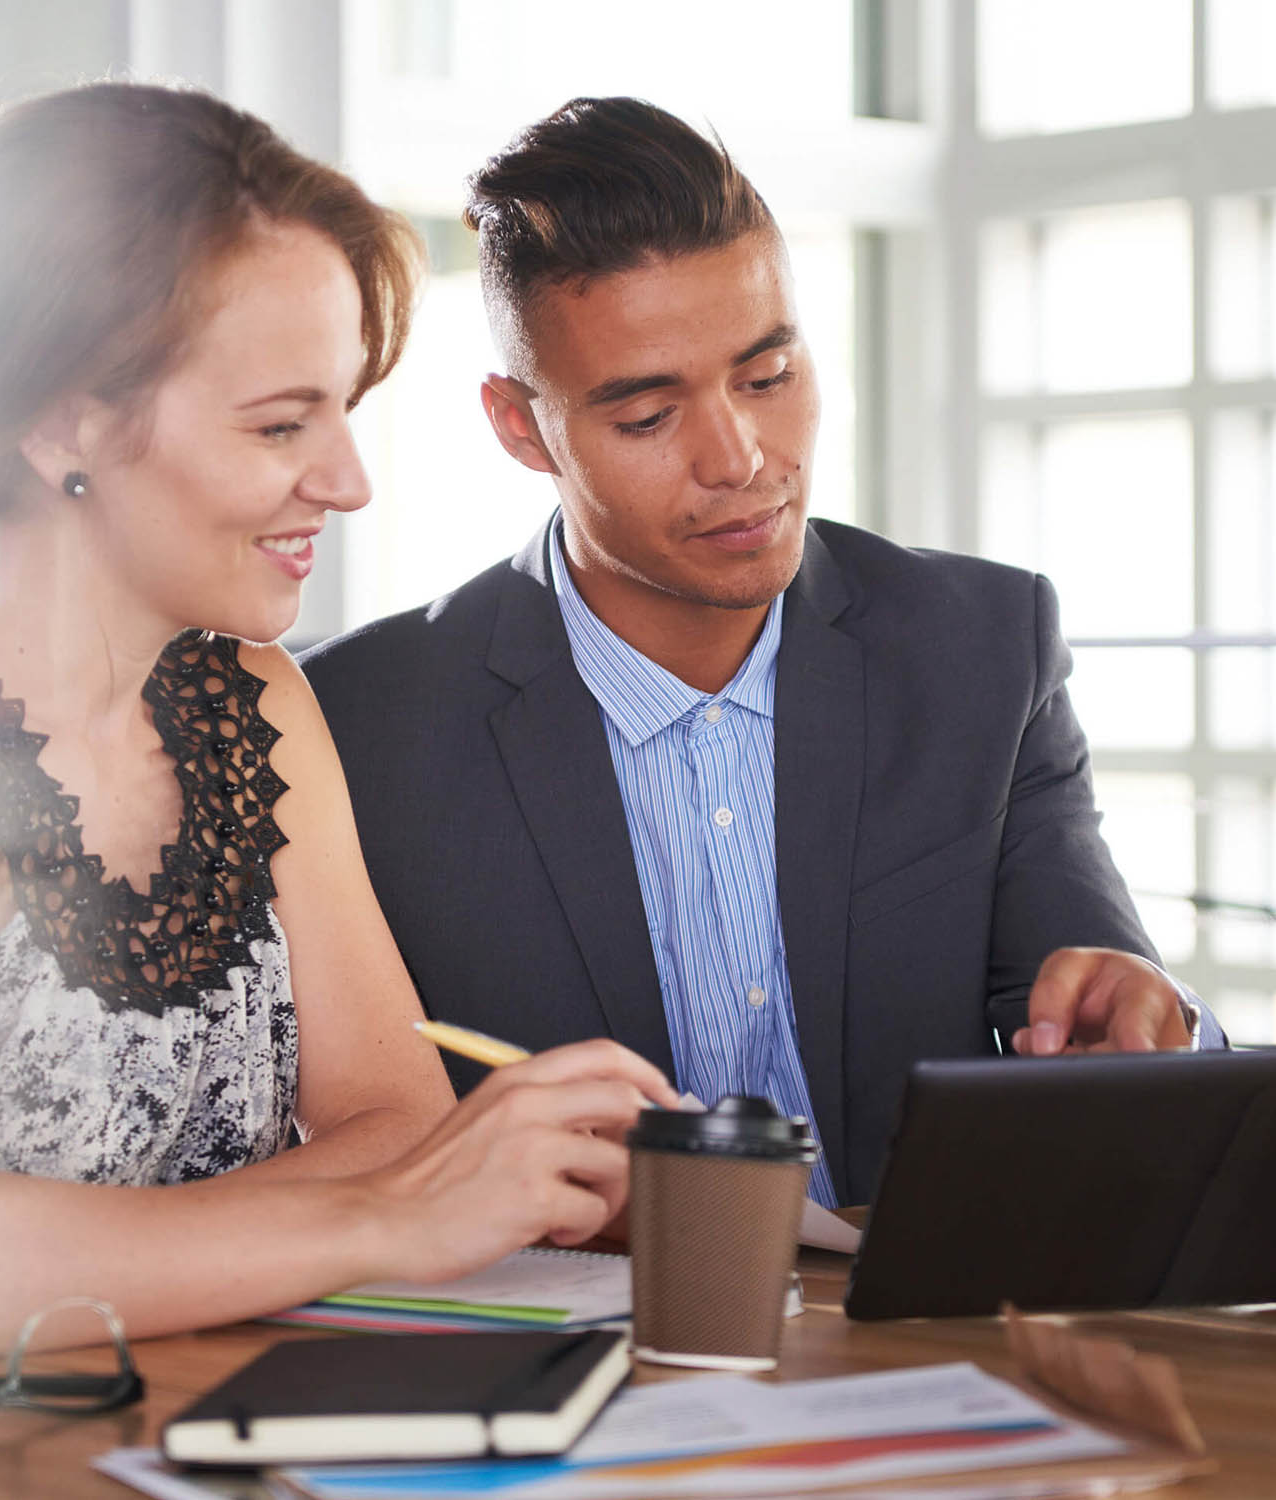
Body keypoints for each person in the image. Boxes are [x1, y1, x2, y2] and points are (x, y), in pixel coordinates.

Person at [0, 82, 675, 1356]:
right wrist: (369, 1225)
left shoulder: (256, 706)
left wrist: (380, 1198)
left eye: (343, 411)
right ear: (65, 422)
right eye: (280, 423)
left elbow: (401, 1131)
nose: (347, 482)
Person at [299, 97, 1222, 1209]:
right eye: (646, 417)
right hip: (570, 1345)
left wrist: (1151, 1017)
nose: (738, 458)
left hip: (914, 1339)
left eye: (767, 377)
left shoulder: (981, 649)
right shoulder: (356, 724)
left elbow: (1100, 1006)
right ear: (521, 426)